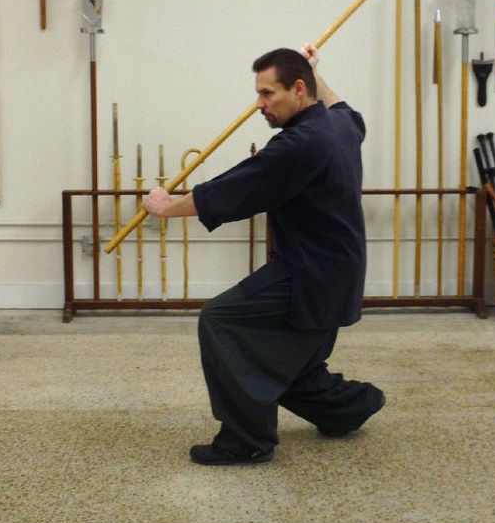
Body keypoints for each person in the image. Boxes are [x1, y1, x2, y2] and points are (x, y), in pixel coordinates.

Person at [141, 44, 385, 465]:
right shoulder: (338, 127)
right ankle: (350, 407)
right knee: (288, 363)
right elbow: (344, 107)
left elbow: (233, 189)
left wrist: (166, 207)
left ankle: (246, 439)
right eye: (258, 94)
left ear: (298, 90)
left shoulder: (299, 144)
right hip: (338, 270)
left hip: (308, 274)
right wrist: (313, 68)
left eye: (268, 94)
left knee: (221, 321)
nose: (260, 105)